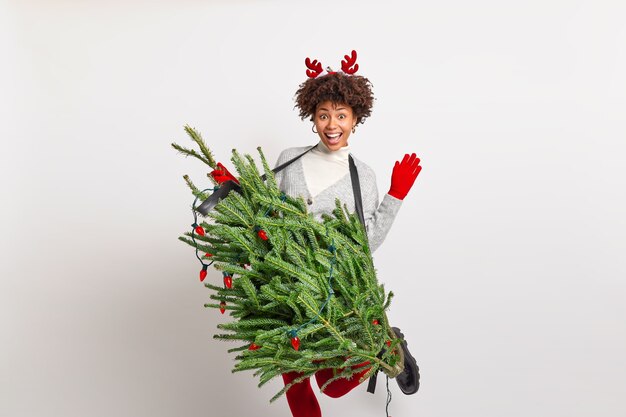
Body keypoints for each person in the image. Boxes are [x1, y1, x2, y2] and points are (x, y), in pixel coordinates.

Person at [270, 51, 422, 417]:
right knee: (294, 380)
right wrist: (235, 194)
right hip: (286, 287)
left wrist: (395, 196)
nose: (332, 124)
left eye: (341, 116)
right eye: (324, 115)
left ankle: (388, 347)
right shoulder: (290, 159)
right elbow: (265, 213)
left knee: (332, 386)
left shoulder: (361, 175)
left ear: (355, 118)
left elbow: (367, 241)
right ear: (313, 118)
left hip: (333, 292)